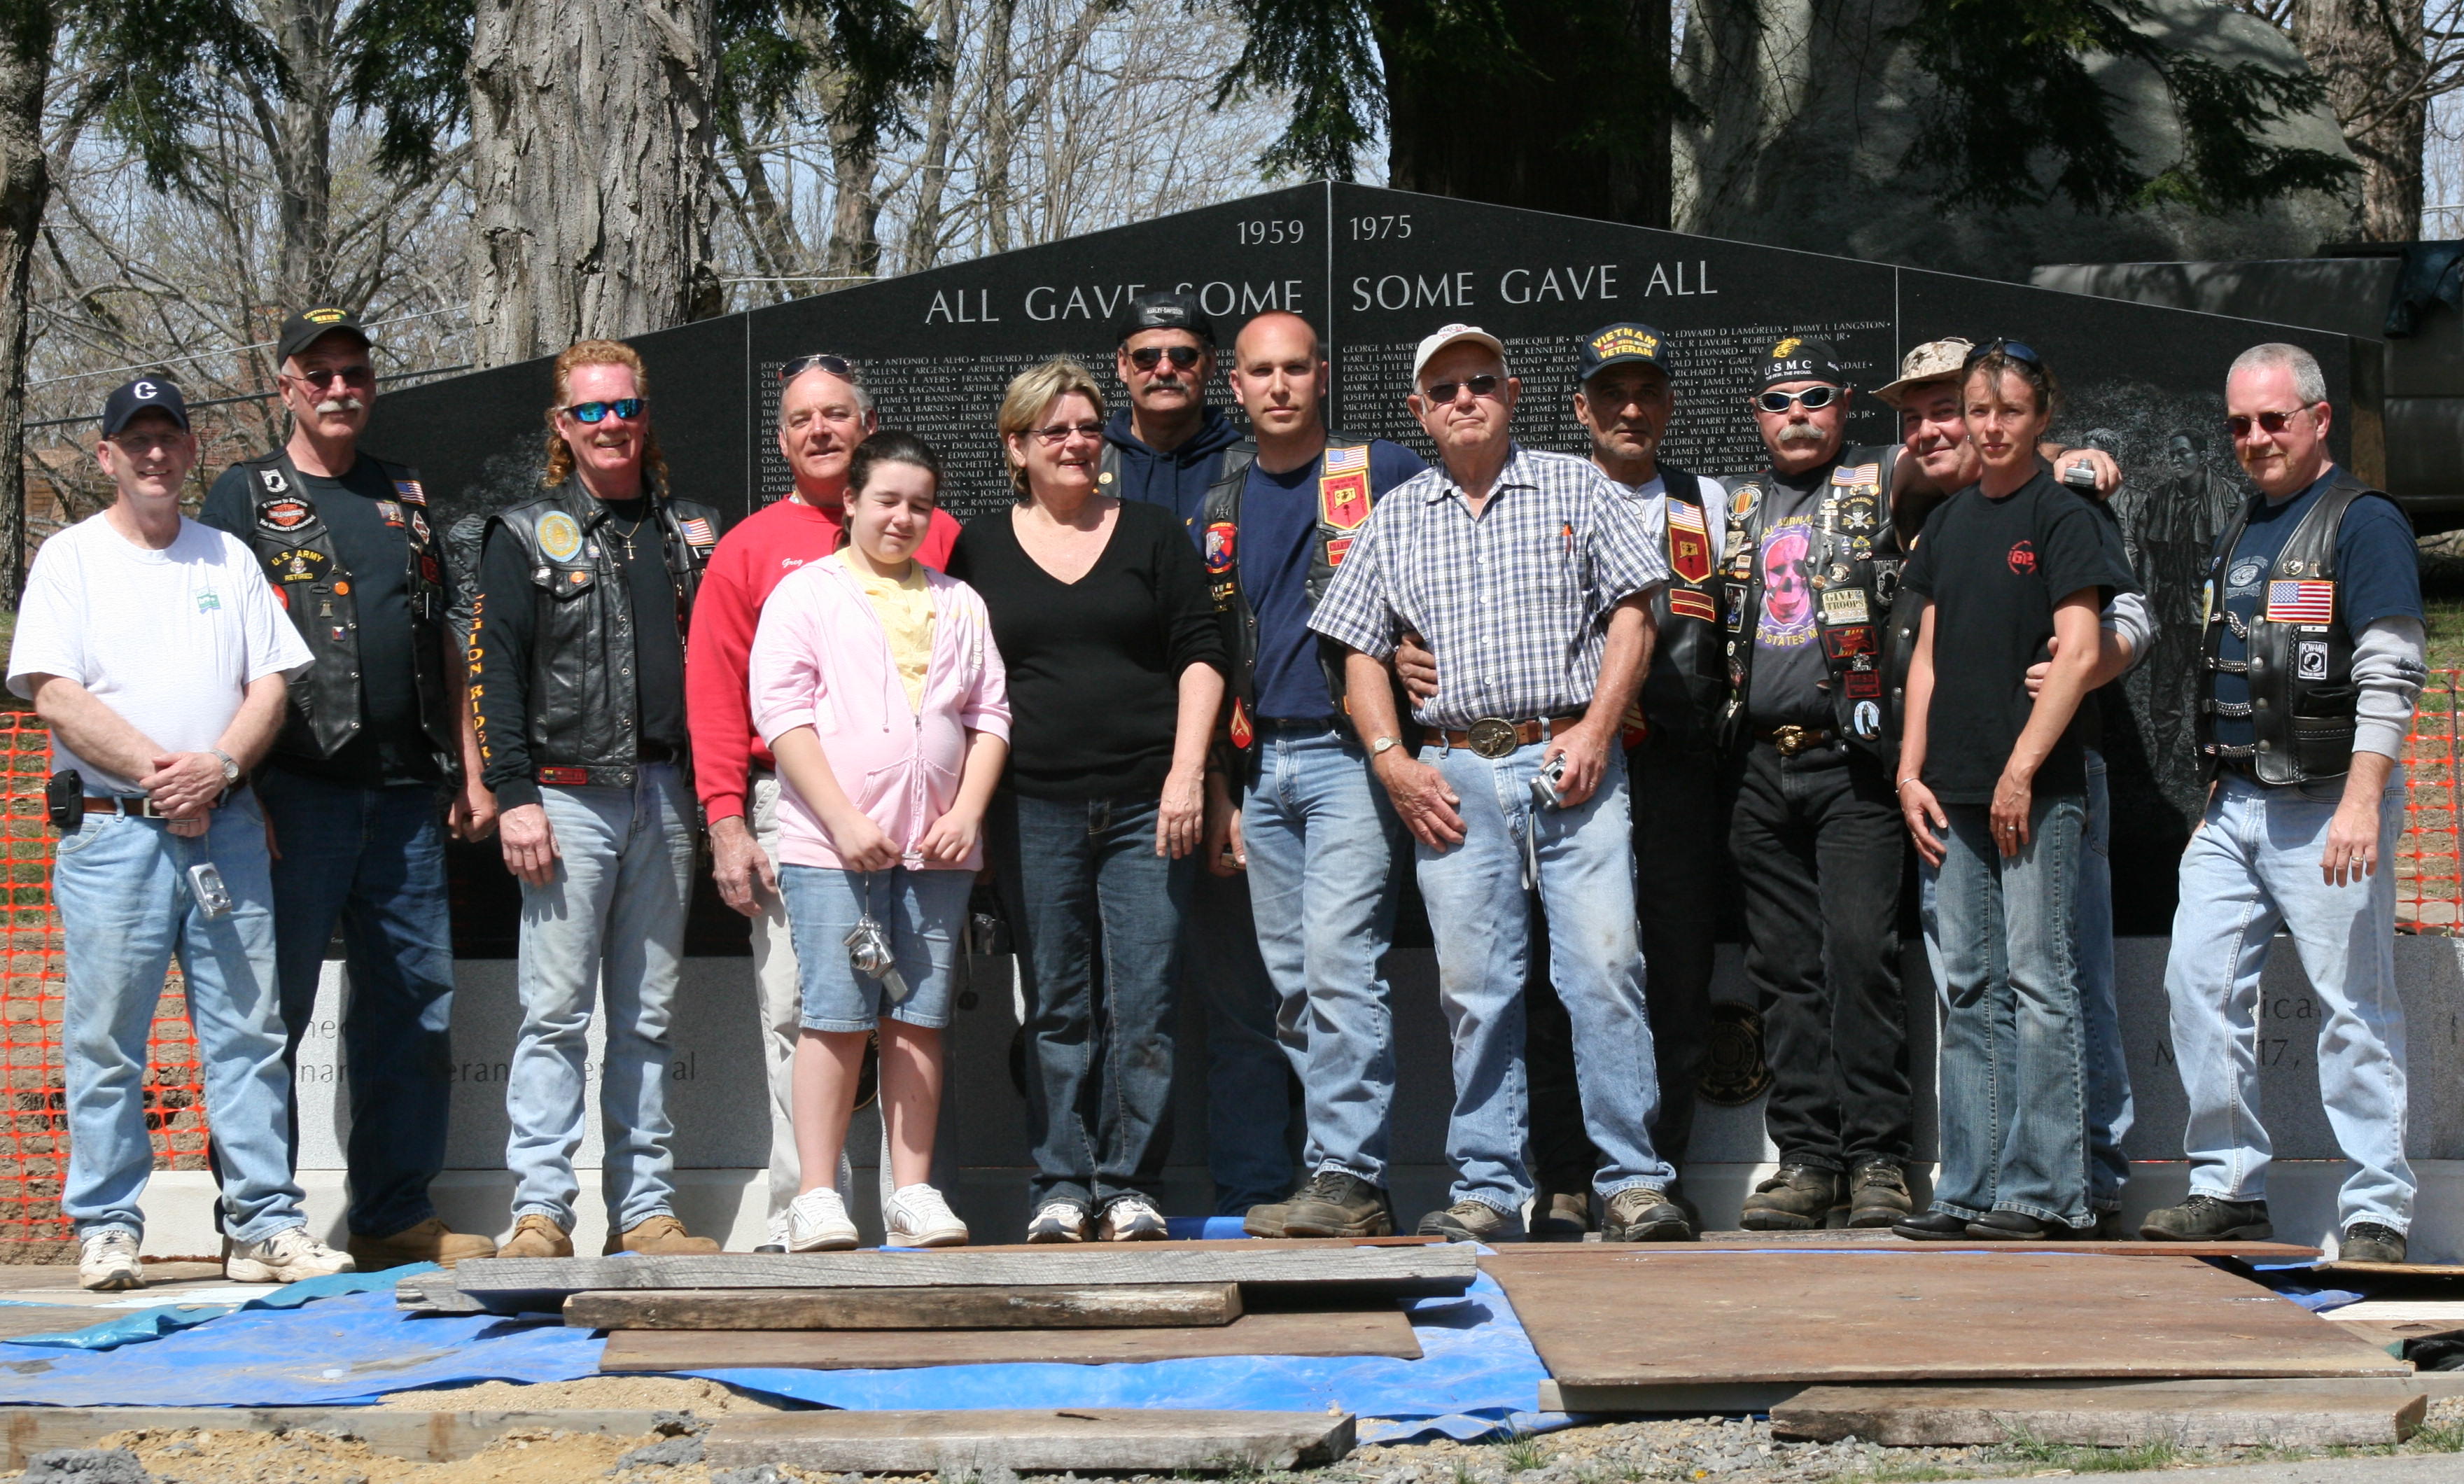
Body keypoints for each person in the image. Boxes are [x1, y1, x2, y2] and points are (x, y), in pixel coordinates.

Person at [1309, 323, 1684, 1243]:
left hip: (1570, 761)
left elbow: (1637, 615)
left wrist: (1599, 728)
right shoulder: (1395, 517)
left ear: (1511, 394)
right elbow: (1357, 648)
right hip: (1454, 777)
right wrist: (1393, 762)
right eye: (1444, 390)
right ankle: (1485, 1182)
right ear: (1419, 413)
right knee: (1474, 987)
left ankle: (1633, 1181)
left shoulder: (1576, 484)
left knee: (1604, 969)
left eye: (1481, 382)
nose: (1464, 398)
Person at [13, 378, 352, 1290]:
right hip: (112, 835)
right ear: (106, 456)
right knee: (107, 1041)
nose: (154, 454)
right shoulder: (70, 560)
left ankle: (262, 1227)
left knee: (246, 1032)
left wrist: (225, 771)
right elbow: (52, 691)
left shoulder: (228, 559)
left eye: (168, 438)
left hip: (227, 830)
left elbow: (271, 686)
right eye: (136, 440)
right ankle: (108, 1227)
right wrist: (168, 776)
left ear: (191, 451)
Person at [198, 307, 497, 1270]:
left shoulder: (401, 494)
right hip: (291, 795)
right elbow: (212, 652)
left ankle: (393, 1212)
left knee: (413, 1010)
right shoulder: (244, 496)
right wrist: (236, 786)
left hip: (408, 795)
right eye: (318, 375)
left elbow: (442, 637)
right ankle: (259, 1222)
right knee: (263, 1012)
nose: (338, 390)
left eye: (353, 374)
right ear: (285, 385)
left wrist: (470, 768)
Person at [2138, 343, 2426, 1263]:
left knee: (2354, 1003)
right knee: (2196, 984)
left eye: (2274, 420)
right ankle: (2227, 1186)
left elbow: (2391, 668)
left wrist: (2362, 802)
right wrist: (2218, 789)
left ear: (2318, 419)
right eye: (2240, 425)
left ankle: (2378, 1207)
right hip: (2237, 811)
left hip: (2330, 804)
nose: (2256, 439)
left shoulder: (2362, 522)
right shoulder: (2249, 523)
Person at [685, 354, 962, 1249]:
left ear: (865, 420)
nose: (820, 432)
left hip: (920, 820)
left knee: (909, 1005)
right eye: (803, 419)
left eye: (837, 415)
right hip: (794, 810)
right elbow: (719, 693)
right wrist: (726, 819)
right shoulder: (751, 549)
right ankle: (801, 1207)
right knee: (802, 1006)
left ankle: (909, 1197)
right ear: (782, 438)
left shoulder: (942, 540)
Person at [949, 358, 1228, 1242]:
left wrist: (1188, 773)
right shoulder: (979, 548)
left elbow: (1201, 653)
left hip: (1149, 805)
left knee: (1143, 1003)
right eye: (1054, 430)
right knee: (1058, 1004)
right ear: (1016, 446)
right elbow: (963, 682)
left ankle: (1130, 1182)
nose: (1076, 444)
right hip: (1032, 807)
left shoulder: (1150, 532)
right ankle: (1062, 1183)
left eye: (1086, 427)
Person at [1876, 337, 2146, 1236]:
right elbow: (1927, 657)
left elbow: (2078, 651)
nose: (1992, 429)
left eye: (2011, 412)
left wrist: (2021, 770)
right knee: (1969, 986)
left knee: (2040, 981)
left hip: (2039, 788)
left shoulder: (2064, 513)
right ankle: (1970, 1186)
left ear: (2043, 418)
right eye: (1979, 410)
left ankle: (2046, 1191)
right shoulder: (1949, 522)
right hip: (1949, 788)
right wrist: (1910, 769)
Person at [470, 340, 726, 1259]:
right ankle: (540, 1211)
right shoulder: (526, 531)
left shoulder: (692, 532)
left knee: (650, 1019)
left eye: (624, 408)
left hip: (668, 794)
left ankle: (646, 1212)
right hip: (567, 798)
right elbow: (492, 669)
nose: (610, 424)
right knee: (555, 1016)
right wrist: (513, 794)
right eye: (591, 411)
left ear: (645, 417)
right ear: (562, 427)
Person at [748, 431, 1009, 1251]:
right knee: (834, 1013)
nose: (902, 518)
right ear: (852, 501)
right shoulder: (807, 595)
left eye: (919, 506)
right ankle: (817, 1195)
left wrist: (966, 811)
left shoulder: (960, 602)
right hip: (833, 849)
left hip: (934, 852)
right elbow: (782, 713)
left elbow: (989, 714)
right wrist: (844, 820)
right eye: (887, 500)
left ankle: (913, 1189)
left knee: (920, 1016)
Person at [1196, 311, 1425, 1239]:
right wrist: (1219, 789)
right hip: (1263, 766)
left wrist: (1422, 648)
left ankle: (1349, 1172)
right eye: (1262, 372)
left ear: (1322, 376)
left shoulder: (1382, 473)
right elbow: (1208, 653)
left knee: (1341, 972)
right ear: (1238, 388)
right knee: (1292, 986)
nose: (1280, 385)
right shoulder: (1220, 506)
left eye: (1297, 368)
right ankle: (1340, 1177)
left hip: (1348, 757)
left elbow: (1457, 565)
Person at [1101, 291, 1293, 1219]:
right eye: (1147, 356)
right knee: (1110, 1002)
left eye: (1183, 355)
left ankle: (1256, 1188)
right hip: (1108, 767)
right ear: (1122, 366)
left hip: (1234, 767)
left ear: (1210, 368)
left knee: (1242, 999)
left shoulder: (1252, 460)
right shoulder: (1080, 461)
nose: (1164, 369)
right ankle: (1108, 1189)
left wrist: (1221, 779)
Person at [1717, 335, 1916, 1231]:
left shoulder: (1883, 476)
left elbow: (1975, 451)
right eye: (1776, 401)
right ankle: (1805, 1157)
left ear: (1845, 407)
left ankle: (1878, 1156)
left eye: (1814, 397)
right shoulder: (1732, 504)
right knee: (1785, 969)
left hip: (1853, 762)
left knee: (1859, 954)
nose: (1796, 414)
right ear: (1756, 416)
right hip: (1758, 764)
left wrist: (2079, 456)